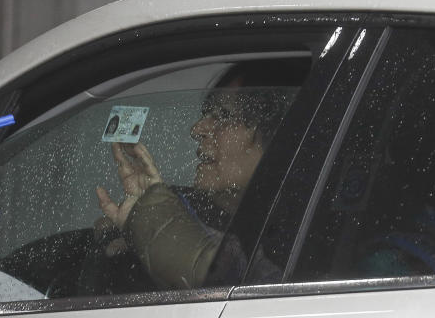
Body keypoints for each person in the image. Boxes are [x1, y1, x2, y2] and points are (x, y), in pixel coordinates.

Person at [95, 60, 305, 289]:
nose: (197, 129)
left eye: (223, 116)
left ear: (278, 136)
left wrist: (160, 225)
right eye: (206, 114)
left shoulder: (304, 235)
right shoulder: (178, 205)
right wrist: (141, 222)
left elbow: (251, 289)